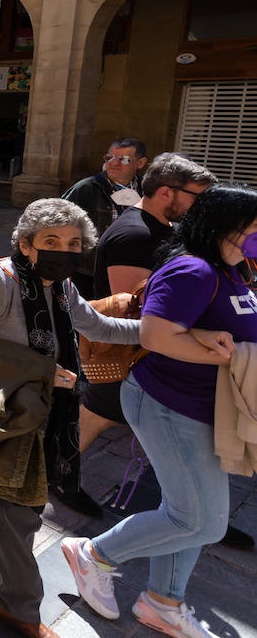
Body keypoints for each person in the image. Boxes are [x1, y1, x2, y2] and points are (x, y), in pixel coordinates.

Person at [0, 198, 140, 638]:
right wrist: (36, 370)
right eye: (51, 241)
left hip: (41, 416)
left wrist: (156, 332)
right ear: (26, 244)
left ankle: (14, 601)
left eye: (74, 243)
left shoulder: (62, 286)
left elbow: (96, 326)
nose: (64, 249)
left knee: (24, 511)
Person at [62, 185, 257, 638]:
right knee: (201, 521)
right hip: (171, 407)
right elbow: (154, 335)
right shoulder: (192, 270)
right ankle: (94, 554)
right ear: (222, 228)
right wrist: (229, 356)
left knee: (184, 512)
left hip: (204, 407)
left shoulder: (233, 269)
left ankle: (162, 603)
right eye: (251, 229)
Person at [63, 153, 216, 518]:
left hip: (141, 352)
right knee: (97, 414)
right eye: (199, 197)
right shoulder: (135, 235)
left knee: (109, 415)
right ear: (167, 192)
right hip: (124, 352)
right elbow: (135, 305)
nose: (203, 207)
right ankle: (59, 475)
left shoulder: (159, 226)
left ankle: (190, 501)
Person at [62, 138, 148, 299]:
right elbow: (57, 223)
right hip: (89, 271)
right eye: (109, 158)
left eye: (124, 159)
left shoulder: (148, 191)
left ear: (141, 163)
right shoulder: (85, 189)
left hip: (133, 268)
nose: (114, 163)